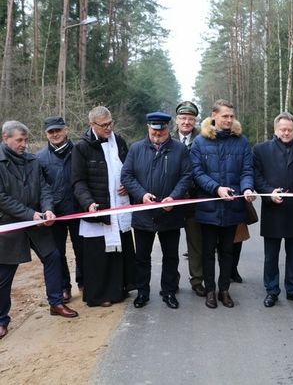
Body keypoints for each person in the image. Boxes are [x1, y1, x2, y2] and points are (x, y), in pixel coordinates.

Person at [0, 121, 78, 339]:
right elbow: (2, 198)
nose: (24, 144)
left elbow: (44, 188)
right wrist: (30, 214)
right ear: (6, 138)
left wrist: (48, 209)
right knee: (5, 274)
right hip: (10, 225)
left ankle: (55, 302)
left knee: (52, 256)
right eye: (19, 140)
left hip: (36, 221)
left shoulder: (32, 160)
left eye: (26, 140)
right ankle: (1, 319)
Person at [121, 113, 192, 309]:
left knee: (171, 256)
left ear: (168, 129)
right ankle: (143, 292)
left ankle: (169, 291)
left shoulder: (179, 149)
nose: (157, 134)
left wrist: (174, 197)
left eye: (161, 131)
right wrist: (142, 195)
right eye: (154, 131)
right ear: (148, 128)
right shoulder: (136, 148)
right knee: (142, 256)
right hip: (143, 213)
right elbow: (126, 176)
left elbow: (187, 176)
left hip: (171, 213)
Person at [191, 99, 255, 309]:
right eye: (225, 116)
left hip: (232, 208)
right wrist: (216, 188)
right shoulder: (200, 142)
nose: (228, 120)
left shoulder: (242, 141)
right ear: (214, 116)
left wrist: (246, 188)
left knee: (228, 252)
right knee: (208, 252)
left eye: (231, 116)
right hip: (209, 206)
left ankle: (224, 290)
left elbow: (247, 171)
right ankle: (210, 290)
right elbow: (197, 173)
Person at [72, 106, 136, 307]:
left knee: (120, 250)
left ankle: (121, 288)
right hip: (97, 205)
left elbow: (129, 168)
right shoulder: (81, 147)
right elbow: (78, 181)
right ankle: (100, 294)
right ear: (92, 125)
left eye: (111, 123)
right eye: (104, 125)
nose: (109, 128)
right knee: (99, 255)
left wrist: (127, 183)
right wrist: (88, 202)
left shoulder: (119, 140)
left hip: (120, 204)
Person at [253, 112, 293, 308]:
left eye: (289, 130)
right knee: (271, 255)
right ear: (275, 130)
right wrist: (268, 192)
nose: (286, 133)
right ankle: (272, 290)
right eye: (283, 129)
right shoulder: (261, 150)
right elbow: (256, 177)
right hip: (273, 209)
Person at [36, 116, 84, 302]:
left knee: (82, 249)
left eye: (58, 130)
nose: (55, 134)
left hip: (78, 209)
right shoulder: (39, 158)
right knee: (58, 253)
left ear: (66, 130)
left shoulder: (79, 151)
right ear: (46, 134)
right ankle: (64, 287)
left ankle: (83, 281)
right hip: (54, 214)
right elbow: (40, 187)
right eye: (51, 132)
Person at [175, 101, 205, 297]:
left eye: (190, 119)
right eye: (183, 118)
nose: (186, 122)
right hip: (173, 200)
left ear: (195, 121)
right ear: (176, 120)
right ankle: (171, 280)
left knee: (196, 243)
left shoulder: (203, 140)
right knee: (170, 243)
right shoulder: (165, 138)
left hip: (194, 199)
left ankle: (197, 280)